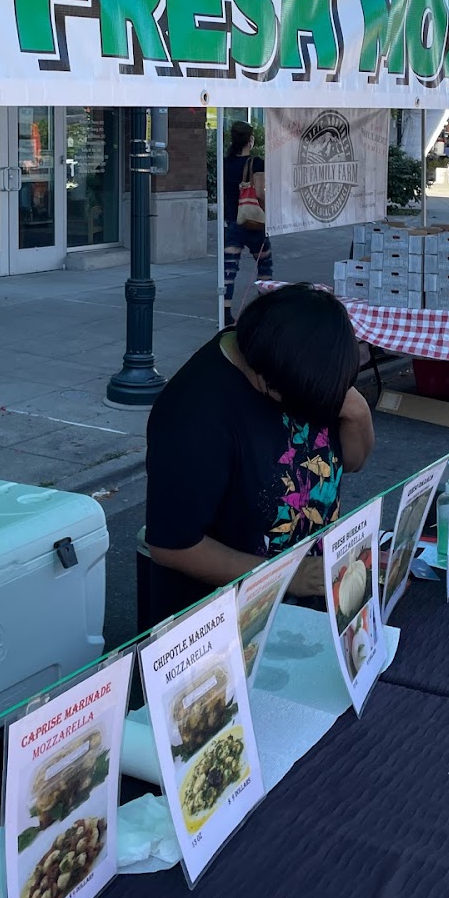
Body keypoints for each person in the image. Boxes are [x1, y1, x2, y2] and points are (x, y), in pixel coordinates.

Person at [141, 283, 376, 628]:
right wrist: (287, 573)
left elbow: (353, 462)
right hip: (224, 625)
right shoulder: (194, 416)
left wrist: (357, 412)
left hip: (305, 594)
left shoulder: (304, 363)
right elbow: (172, 546)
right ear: (268, 382)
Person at [222, 120, 272, 326]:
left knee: (229, 271)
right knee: (264, 266)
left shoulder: (224, 163)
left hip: (232, 222)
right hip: (254, 222)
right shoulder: (256, 162)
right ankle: (262, 311)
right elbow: (260, 193)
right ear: (250, 139)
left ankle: (225, 314)